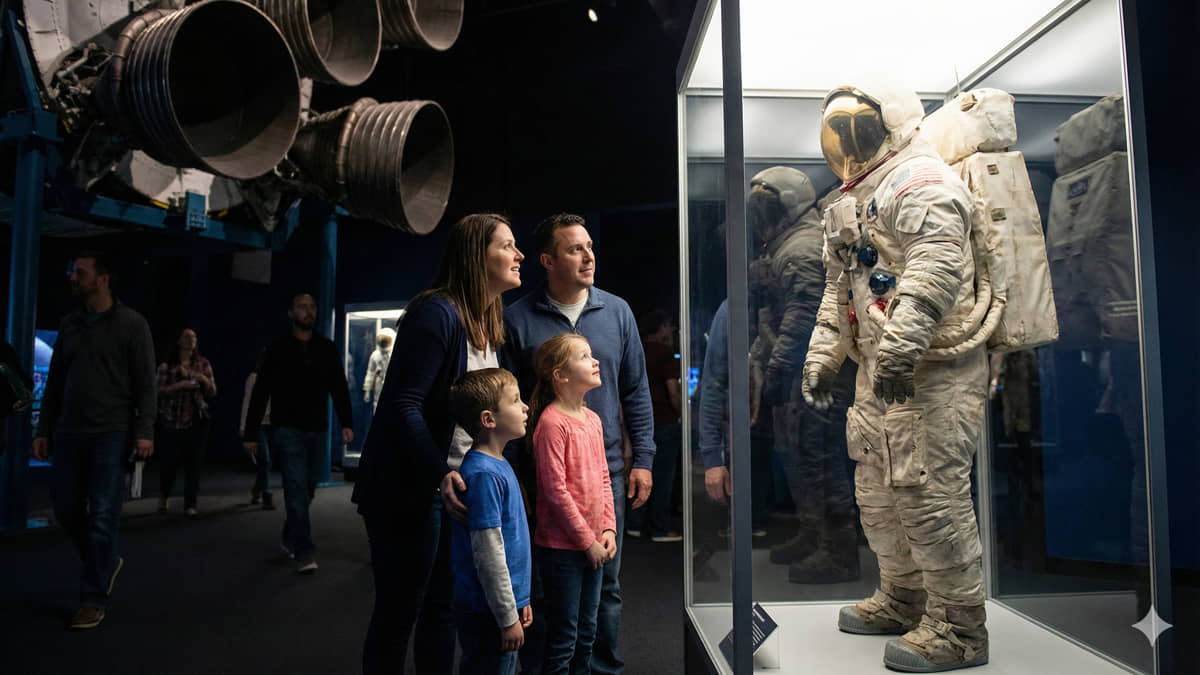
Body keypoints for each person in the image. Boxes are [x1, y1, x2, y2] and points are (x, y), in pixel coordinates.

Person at [803, 82, 990, 671]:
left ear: (894, 124)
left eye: (857, 129)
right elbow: (840, 293)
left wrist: (901, 349)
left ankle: (960, 628)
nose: (846, 145)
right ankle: (905, 596)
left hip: (932, 371)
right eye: (838, 132)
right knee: (879, 494)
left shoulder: (924, 184)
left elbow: (935, 270)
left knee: (931, 496)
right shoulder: (856, 198)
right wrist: (823, 357)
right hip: (880, 372)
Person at [352, 213, 524, 675]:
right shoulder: (437, 313)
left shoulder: (491, 324)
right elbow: (403, 405)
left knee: (442, 609)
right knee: (399, 614)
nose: (519, 255)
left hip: (452, 489)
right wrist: (438, 473)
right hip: (409, 488)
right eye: (507, 246)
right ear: (476, 255)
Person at [500, 213, 654, 675]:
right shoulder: (517, 319)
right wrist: (511, 475)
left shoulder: (618, 311)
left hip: (607, 472)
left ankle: (601, 670)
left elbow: (636, 391)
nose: (588, 256)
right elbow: (503, 397)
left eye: (590, 246)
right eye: (574, 249)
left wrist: (643, 459)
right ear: (547, 260)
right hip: (541, 477)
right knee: (547, 586)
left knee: (606, 584)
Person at [32, 251, 156, 630]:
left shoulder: (132, 325)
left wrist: (145, 431)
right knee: (66, 508)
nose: (73, 278)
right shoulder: (70, 325)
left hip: (111, 432)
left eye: (81, 273)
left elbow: (145, 383)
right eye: (72, 273)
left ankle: (92, 598)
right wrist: (44, 429)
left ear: (103, 279)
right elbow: (55, 383)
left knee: (103, 513)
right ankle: (104, 561)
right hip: (69, 430)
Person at [746, 167, 859, 584]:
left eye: (766, 208)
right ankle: (814, 534)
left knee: (819, 457)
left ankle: (839, 551)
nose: (760, 217)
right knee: (800, 456)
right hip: (798, 370)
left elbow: (803, 321)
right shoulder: (788, 247)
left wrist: (775, 372)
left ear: (787, 209)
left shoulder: (801, 249)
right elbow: (774, 318)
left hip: (815, 373)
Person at [242, 293, 354, 574]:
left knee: (308, 489)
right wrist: (251, 432)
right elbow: (261, 390)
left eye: (312, 307)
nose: (308, 311)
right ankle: (304, 551)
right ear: (290, 312)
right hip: (286, 428)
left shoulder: (326, 349)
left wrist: (347, 422)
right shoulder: (277, 349)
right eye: (302, 307)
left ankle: (289, 533)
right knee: (294, 486)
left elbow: (339, 387)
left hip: (317, 429)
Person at [529, 334, 616, 674]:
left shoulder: (592, 420)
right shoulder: (552, 424)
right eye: (584, 356)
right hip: (563, 549)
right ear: (561, 375)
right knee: (563, 638)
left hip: (593, 545)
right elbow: (555, 492)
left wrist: (607, 528)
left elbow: (605, 479)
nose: (595, 361)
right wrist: (587, 542)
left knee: (587, 633)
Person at [448, 368, 533, 675]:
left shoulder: (497, 463)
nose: (525, 407)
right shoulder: (484, 475)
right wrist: (506, 616)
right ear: (489, 420)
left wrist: (519, 600)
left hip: (500, 606)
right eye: (515, 400)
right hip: (488, 612)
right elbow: (489, 555)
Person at [696, 300, 770, 535]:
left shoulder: (790, 303)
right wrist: (712, 459)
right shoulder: (734, 309)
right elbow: (714, 384)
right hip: (747, 427)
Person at [625, 310, 682, 542]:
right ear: (660, 328)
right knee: (663, 476)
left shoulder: (637, 351)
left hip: (637, 422)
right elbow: (673, 392)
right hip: (665, 421)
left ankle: (635, 523)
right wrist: (684, 416)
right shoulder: (665, 354)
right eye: (668, 325)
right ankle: (659, 527)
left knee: (639, 472)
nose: (672, 330)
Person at [155, 328, 216, 517]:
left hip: (196, 422)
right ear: (179, 341)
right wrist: (179, 386)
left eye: (194, 337)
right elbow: (158, 390)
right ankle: (164, 496)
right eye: (187, 337)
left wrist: (204, 380)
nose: (191, 340)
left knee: (194, 465)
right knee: (169, 465)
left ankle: (190, 503)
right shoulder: (167, 366)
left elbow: (213, 391)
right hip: (172, 421)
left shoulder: (203, 363)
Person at [240, 355, 274, 510]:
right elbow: (248, 402)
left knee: (265, 461)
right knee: (265, 459)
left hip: (274, 424)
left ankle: (257, 489)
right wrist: (245, 429)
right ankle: (267, 494)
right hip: (259, 424)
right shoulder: (254, 378)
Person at [362, 327, 395, 412]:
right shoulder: (375, 355)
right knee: (377, 406)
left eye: (385, 341)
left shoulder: (396, 354)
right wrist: (367, 390)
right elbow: (370, 373)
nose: (383, 343)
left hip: (393, 383)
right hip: (379, 383)